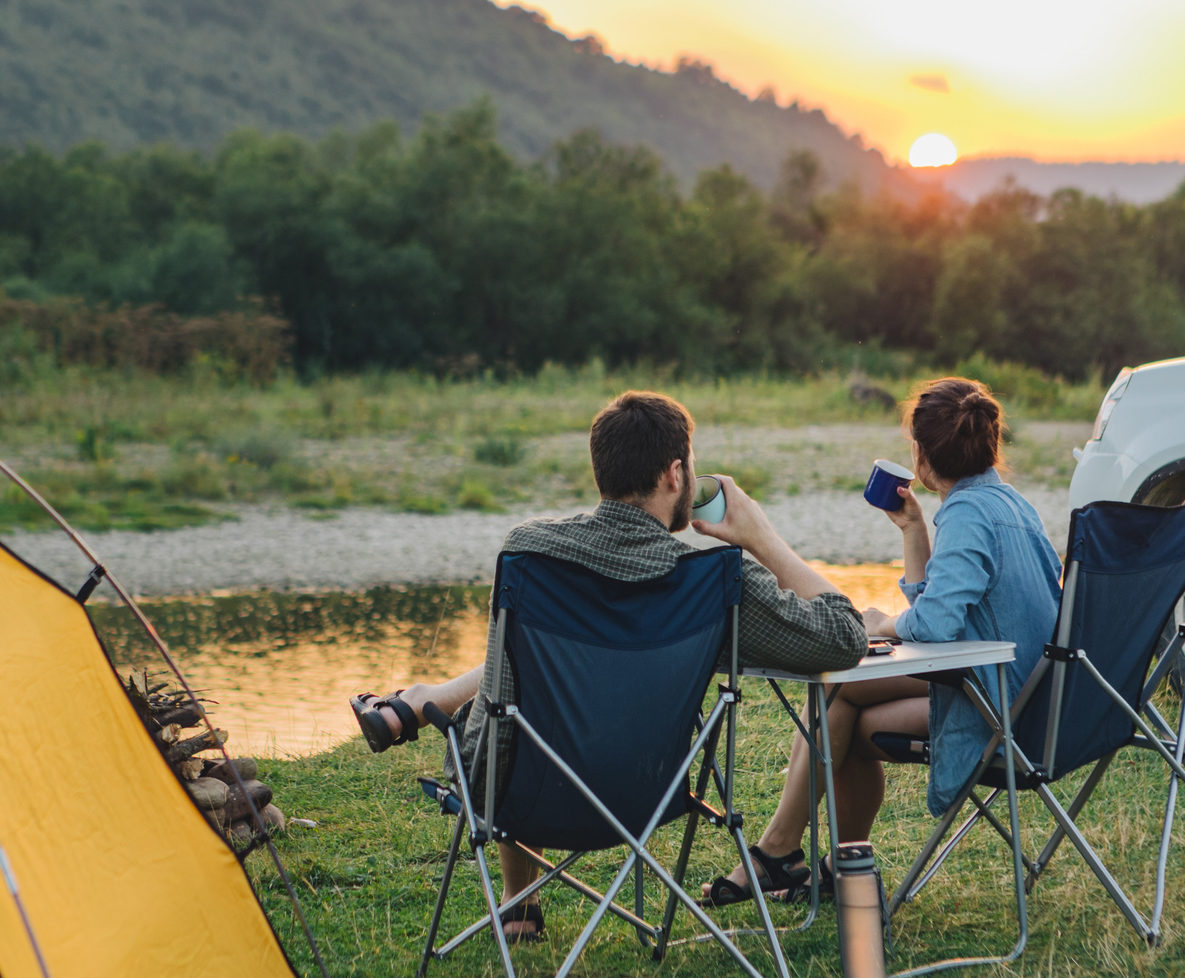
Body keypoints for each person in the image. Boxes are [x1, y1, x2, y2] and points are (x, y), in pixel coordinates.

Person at [351, 390, 865, 942]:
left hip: (523, 794)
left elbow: (505, 691)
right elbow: (844, 637)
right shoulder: (713, 580)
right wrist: (761, 537)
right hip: (648, 793)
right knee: (517, 674)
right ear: (674, 475)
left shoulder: (532, 552)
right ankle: (419, 704)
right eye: (690, 468)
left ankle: (516, 898)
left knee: (516, 687)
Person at [703, 376, 1062, 901]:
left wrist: (879, 624)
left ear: (918, 455)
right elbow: (943, 607)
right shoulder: (1011, 505)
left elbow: (933, 626)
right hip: (1028, 692)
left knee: (842, 705)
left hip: (998, 708)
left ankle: (785, 855)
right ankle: (817, 862)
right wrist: (914, 531)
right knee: (843, 700)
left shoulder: (966, 514)